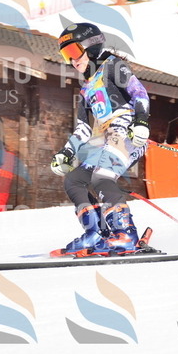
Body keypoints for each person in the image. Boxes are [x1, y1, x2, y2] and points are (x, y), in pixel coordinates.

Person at [51, 23, 150, 256]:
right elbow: (83, 128)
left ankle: (125, 235)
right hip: (107, 141)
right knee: (74, 180)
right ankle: (96, 232)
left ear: (91, 46)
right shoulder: (87, 87)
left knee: (102, 177)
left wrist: (141, 122)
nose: (72, 60)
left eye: (74, 52)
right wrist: (66, 152)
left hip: (128, 135)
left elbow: (139, 93)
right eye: (66, 55)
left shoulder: (113, 66)